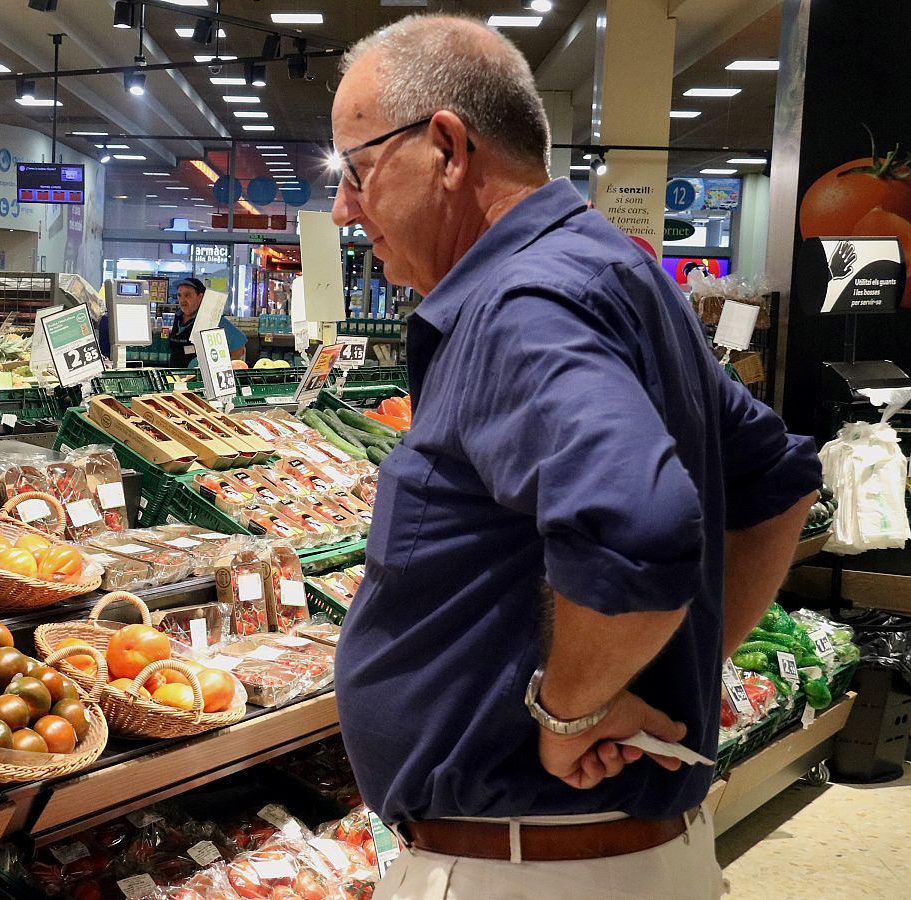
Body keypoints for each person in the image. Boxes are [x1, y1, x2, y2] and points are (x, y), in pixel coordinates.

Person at [328, 15, 820, 898]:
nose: (342, 209)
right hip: (613, 856)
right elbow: (776, 481)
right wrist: (653, 662)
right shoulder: (607, 268)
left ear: (445, 146)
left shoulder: (522, 302)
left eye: (356, 171)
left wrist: (573, 707)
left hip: (529, 869)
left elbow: (638, 529)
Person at [166, 277, 245, 367]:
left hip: (197, 377)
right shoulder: (178, 316)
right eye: (179, 295)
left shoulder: (211, 319)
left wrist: (229, 366)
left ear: (200, 297)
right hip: (174, 376)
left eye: (187, 295)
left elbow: (239, 342)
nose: (182, 300)